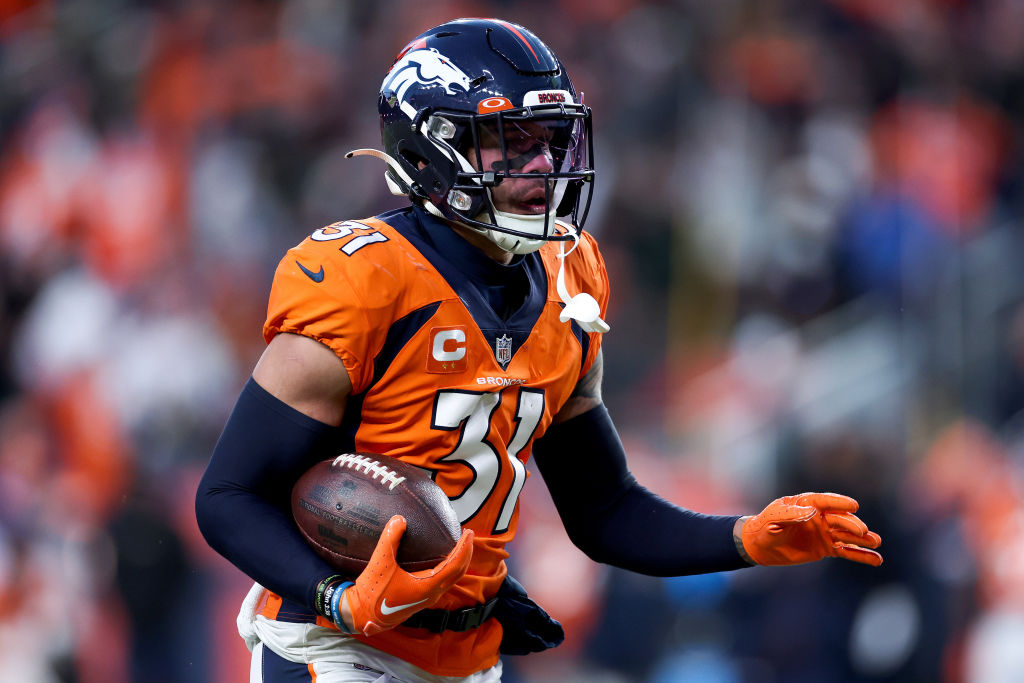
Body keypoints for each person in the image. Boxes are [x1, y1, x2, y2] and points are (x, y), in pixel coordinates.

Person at [195, 17, 883, 683]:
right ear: (432, 146)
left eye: (551, 140)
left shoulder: (570, 273)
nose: (543, 163)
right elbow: (228, 495)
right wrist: (336, 597)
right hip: (337, 646)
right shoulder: (362, 277)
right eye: (511, 140)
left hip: (469, 659)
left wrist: (744, 538)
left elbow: (605, 509)